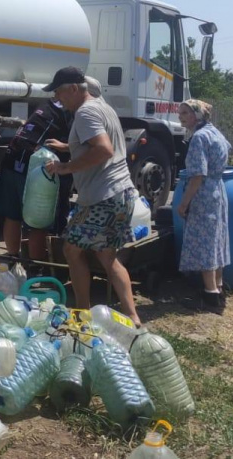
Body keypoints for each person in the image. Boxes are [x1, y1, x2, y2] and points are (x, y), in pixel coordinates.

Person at [42, 66, 142, 326]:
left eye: (59, 93)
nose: (58, 100)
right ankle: (133, 317)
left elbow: (103, 150)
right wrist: (68, 146)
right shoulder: (102, 107)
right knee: (107, 257)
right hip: (123, 193)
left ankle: (82, 312)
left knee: (71, 249)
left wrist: (64, 167)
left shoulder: (84, 113)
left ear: (74, 89)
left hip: (103, 197)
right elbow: (97, 141)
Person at [0, 97, 74, 268]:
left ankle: (13, 260)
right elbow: (82, 146)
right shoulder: (73, 111)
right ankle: (36, 267)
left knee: (13, 215)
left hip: (12, 158)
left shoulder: (48, 103)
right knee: (38, 222)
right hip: (36, 166)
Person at [175, 99, 232, 312]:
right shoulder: (215, 132)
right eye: (180, 112)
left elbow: (198, 175)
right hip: (218, 191)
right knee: (217, 239)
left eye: (185, 113)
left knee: (206, 242)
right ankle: (218, 288)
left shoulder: (199, 137)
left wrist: (184, 202)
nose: (180, 116)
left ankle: (210, 298)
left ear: (197, 116)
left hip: (204, 194)